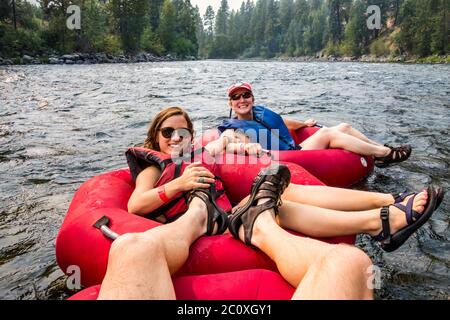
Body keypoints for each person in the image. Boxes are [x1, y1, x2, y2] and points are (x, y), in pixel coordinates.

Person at [98, 106, 442, 299]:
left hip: (226, 210)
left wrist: (242, 148)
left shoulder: (200, 153)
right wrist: (179, 186)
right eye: (167, 133)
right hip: (189, 218)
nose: (175, 137)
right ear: (154, 138)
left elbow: (234, 142)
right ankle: (217, 213)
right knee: (132, 247)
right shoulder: (153, 165)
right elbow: (135, 206)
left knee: (284, 198)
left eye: (182, 132)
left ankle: (383, 213)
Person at [218, 82, 412, 168]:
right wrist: (244, 147)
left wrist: (305, 124)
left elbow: (284, 123)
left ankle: (381, 150)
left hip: (295, 149)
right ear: (230, 103)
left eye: (246, 95)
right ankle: (385, 154)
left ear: (252, 98)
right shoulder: (232, 128)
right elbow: (227, 142)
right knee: (328, 133)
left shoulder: (260, 112)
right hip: (289, 159)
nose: (242, 100)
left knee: (344, 126)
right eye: (236, 97)